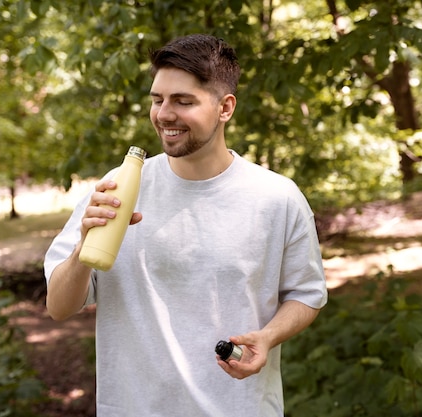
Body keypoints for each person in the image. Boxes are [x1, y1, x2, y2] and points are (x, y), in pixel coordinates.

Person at [44, 33, 327, 416]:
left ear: (225, 107)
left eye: (183, 101)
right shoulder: (119, 187)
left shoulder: (277, 197)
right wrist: (81, 249)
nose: (164, 114)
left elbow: (306, 293)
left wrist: (268, 335)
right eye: (158, 99)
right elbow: (59, 308)